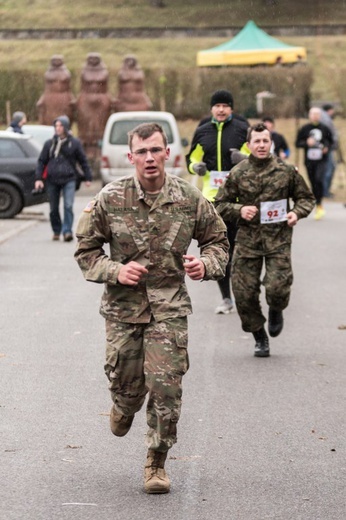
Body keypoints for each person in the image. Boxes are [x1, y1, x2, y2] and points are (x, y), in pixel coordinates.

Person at [74, 123, 229, 494]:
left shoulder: (189, 199)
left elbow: (219, 242)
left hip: (170, 307)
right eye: (141, 152)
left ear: (167, 154)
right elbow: (86, 252)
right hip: (123, 310)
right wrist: (115, 270)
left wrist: (205, 265)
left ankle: (156, 461)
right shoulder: (110, 199)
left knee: (166, 386)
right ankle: (123, 406)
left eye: (155, 150)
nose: (149, 158)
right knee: (127, 386)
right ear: (130, 158)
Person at [215, 123, 315, 358]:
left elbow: (306, 198)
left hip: (278, 240)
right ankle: (260, 337)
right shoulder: (238, 172)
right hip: (248, 241)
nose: (261, 145)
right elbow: (219, 204)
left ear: (271, 143)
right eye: (257, 141)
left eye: (265, 141)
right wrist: (239, 210)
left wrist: (296, 213)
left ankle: (276, 309)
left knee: (277, 288)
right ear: (248, 145)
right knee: (243, 293)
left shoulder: (286, 171)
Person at [186, 89, 248, 315]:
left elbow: (258, 158)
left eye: (225, 105)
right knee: (223, 248)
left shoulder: (242, 129)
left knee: (244, 249)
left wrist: (243, 159)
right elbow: (191, 159)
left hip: (241, 198)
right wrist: (196, 167)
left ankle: (247, 293)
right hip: (214, 199)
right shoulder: (203, 132)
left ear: (231, 108)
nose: (221, 109)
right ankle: (226, 298)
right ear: (212, 109)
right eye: (217, 105)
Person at [34, 115, 92, 242]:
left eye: (60, 126)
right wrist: (38, 179)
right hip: (52, 179)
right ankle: (56, 230)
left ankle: (67, 231)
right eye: (56, 126)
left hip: (69, 179)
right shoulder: (49, 144)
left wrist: (88, 177)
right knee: (53, 208)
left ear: (66, 127)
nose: (58, 128)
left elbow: (83, 161)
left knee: (68, 205)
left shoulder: (74, 143)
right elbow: (41, 161)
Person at [295, 107, 333, 220]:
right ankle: (317, 204)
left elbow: (331, 142)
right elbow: (298, 143)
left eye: (317, 114)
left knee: (319, 179)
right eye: (313, 114)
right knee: (313, 182)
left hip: (322, 160)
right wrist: (306, 143)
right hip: (309, 161)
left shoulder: (325, 128)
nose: (315, 116)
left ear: (320, 116)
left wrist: (326, 147)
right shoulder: (305, 129)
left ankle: (320, 204)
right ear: (309, 115)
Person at [320, 103, 338, 198]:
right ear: (330, 110)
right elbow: (329, 134)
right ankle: (325, 191)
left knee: (328, 168)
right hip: (328, 148)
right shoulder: (326, 119)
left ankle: (324, 190)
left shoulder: (323, 118)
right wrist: (331, 144)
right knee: (329, 169)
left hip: (327, 147)